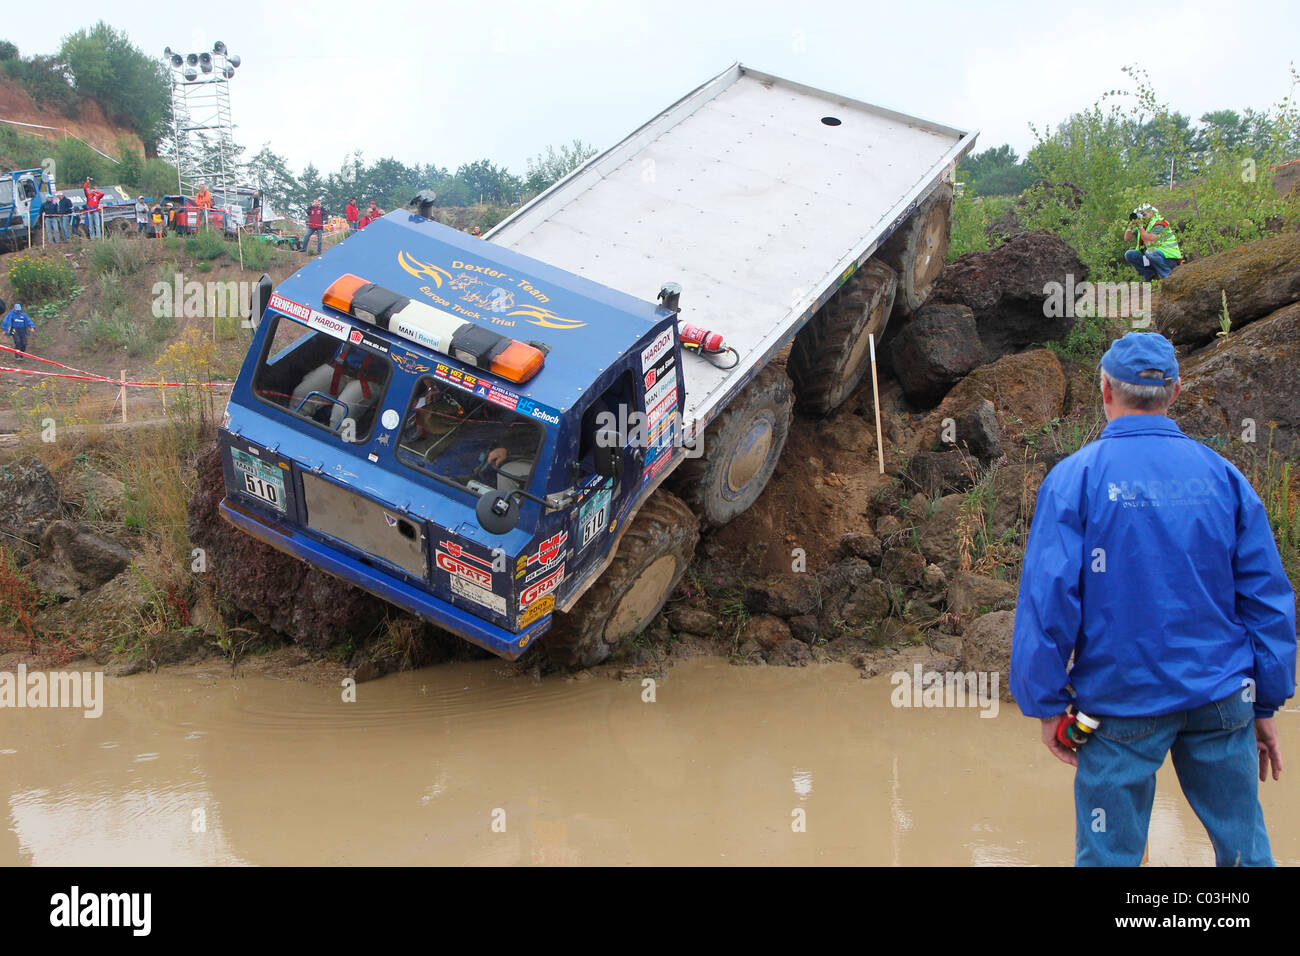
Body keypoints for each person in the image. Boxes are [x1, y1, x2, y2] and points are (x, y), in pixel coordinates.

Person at [1010, 331, 1296, 867]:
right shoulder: (1223, 476)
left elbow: (1049, 602)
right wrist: (1265, 701)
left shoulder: (1076, 479)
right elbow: (1267, 598)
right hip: (1222, 697)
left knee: (1108, 856)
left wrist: (1046, 703)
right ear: (1177, 392)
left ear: (1104, 390)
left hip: (1119, 704)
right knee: (1246, 849)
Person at [1123, 203, 1182, 280]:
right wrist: (1131, 225)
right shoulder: (1143, 226)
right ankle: (1151, 277)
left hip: (1169, 259)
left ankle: (1168, 277)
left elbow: (1149, 241)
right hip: (1153, 258)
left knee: (1150, 252)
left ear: (1151, 213)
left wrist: (1140, 227)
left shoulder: (1159, 224)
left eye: (1143, 213)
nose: (1141, 216)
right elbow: (1127, 238)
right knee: (1129, 254)